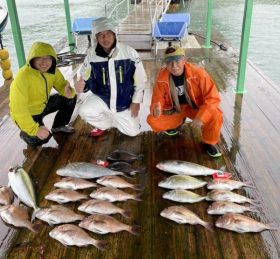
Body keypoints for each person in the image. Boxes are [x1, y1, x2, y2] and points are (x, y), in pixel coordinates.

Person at [75, 17, 147, 137]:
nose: (105, 38)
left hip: (124, 102)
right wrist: (82, 83)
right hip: (103, 98)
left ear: (114, 34)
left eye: (108, 33)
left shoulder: (130, 53)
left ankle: (118, 119)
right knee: (84, 111)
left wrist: (136, 102)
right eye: (101, 35)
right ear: (96, 37)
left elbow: (141, 80)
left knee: (133, 132)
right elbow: (85, 73)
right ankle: (104, 125)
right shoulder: (91, 54)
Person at [147, 45, 223, 158]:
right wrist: (156, 108)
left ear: (184, 60)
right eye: (169, 62)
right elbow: (157, 98)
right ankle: (177, 123)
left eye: (177, 60)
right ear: (165, 64)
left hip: (195, 109)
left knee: (215, 115)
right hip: (176, 110)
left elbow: (213, 98)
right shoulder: (161, 76)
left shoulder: (199, 73)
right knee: (153, 119)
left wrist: (201, 117)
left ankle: (209, 142)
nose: (174, 66)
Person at [9, 42, 77, 146]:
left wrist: (67, 91)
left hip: (43, 105)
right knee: (41, 139)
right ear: (32, 59)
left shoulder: (53, 70)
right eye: (39, 58)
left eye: (48, 58)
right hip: (29, 113)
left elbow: (62, 85)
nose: (44, 62)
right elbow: (18, 109)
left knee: (71, 97)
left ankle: (58, 126)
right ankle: (25, 133)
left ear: (53, 59)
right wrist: (34, 130)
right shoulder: (22, 77)